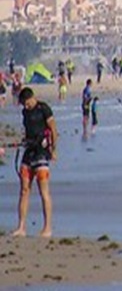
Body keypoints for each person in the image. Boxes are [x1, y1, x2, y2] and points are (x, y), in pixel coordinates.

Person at [9, 87, 57, 236]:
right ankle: (21, 227)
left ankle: (47, 228)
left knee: (44, 192)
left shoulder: (44, 109)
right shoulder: (25, 112)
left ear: (31, 98)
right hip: (28, 153)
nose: (25, 106)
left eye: (26, 103)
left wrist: (53, 150)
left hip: (42, 154)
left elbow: (53, 129)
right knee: (24, 190)